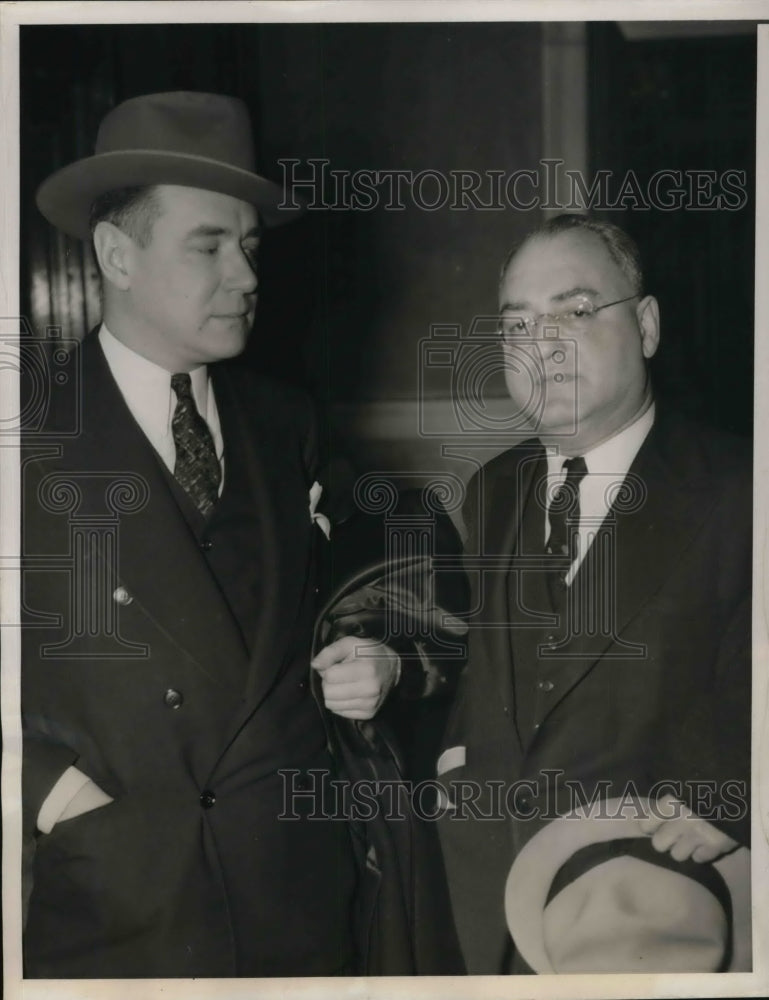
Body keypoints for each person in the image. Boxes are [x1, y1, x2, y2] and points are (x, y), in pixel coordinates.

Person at [21, 90, 403, 978]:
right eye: (209, 245)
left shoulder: (287, 421)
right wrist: (44, 792)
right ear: (117, 253)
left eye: (251, 245)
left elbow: (383, 565)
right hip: (123, 903)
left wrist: (377, 646)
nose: (247, 274)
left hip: (300, 895)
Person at [435, 214, 751, 973]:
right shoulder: (492, 490)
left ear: (644, 324)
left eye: (574, 313)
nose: (540, 346)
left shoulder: (742, 488)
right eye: (517, 324)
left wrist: (741, 787)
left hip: (652, 912)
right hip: (492, 914)